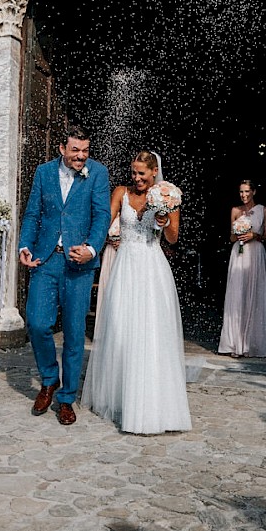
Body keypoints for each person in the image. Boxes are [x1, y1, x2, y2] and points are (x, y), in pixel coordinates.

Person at [82, 151, 191, 434]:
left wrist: (164, 219)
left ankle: (152, 404)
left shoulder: (166, 196)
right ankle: (120, 397)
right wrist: (104, 239)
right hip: (125, 266)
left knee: (152, 332)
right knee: (122, 328)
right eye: (134, 172)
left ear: (154, 173)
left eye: (142, 173)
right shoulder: (121, 192)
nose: (137, 178)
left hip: (152, 267)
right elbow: (103, 224)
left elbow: (173, 238)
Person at [18, 126, 111, 426]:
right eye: (75, 150)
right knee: (37, 322)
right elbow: (33, 213)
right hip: (46, 260)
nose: (81, 156)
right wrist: (25, 246)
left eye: (85, 150)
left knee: (73, 333)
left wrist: (93, 249)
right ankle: (49, 379)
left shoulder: (98, 173)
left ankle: (67, 398)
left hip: (78, 264)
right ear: (62, 148)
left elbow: (102, 216)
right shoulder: (44, 173)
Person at [218, 180, 266, 358]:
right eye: (241, 192)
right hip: (239, 253)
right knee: (238, 294)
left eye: (246, 191)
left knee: (255, 293)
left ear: (254, 192)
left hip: (255, 254)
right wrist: (238, 235)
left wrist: (254, 235)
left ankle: (254, 343)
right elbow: (230, 237)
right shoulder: (235, 211)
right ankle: (235, 342)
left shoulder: (264, 210)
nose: (243, 195)